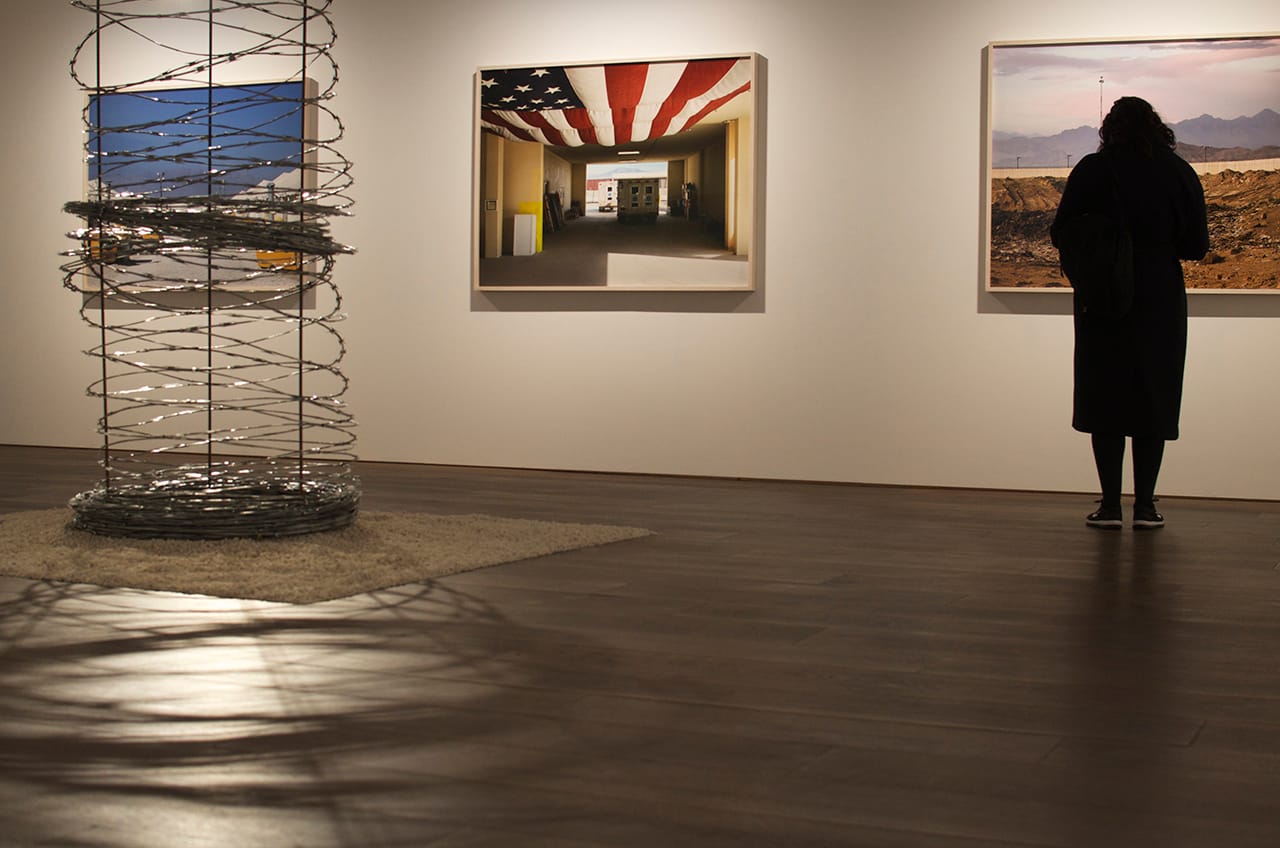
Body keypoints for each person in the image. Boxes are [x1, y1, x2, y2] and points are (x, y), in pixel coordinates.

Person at [1050, 96, 1209, 530]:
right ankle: (1145, 506)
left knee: (1105, 396)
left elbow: (1059, 231)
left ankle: (1108, 505)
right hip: (1159, 291)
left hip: (1103, 292)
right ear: (1157, 128)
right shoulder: (1178, 171)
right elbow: (1197, 245)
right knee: (1152, 396)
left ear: (1109, 129)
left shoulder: (1093, 169)